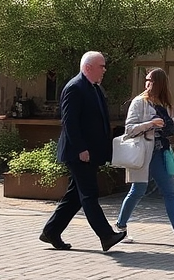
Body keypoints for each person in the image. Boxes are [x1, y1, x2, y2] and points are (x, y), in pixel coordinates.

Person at [40, 51, 127, 252]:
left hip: (90, 152)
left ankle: (51, 231)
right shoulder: (75, 88)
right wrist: (81, 149)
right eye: (101, 66)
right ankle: (106, 235)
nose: (104, 70)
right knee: (89, 194)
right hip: (78, 153)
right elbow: (70, 123)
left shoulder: (94, 88)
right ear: (88, 67)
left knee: (75, 196)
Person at [114, 68, 174, 247]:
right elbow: (129, 129)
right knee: (137, 191)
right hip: (142, 152)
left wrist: (167, 126)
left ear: (160, 83)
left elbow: (172, 128)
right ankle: (120, 227)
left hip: (160, 152)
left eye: (151, 80)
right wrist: (150, 124)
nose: (147, 84)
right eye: (146, 80)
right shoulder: (139, 102)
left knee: (170, 191)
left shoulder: (167, 104)